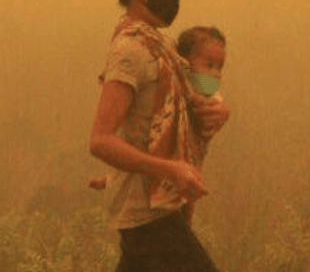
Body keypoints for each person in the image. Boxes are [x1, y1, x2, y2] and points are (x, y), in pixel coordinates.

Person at [90, 0, 245, 272]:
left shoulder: (158, 44)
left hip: (145, 207)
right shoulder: (130, 51)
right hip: (151, 214)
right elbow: (100, 139)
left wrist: (222, 109)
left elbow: (191, 94)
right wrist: (172, 170)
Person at [90, 24, 228, 225]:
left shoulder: (207, 95)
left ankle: (113, 180)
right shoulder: (176, 84)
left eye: (219, 67)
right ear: (186, 63)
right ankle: (112, 180)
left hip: (190, 160)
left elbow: (210, 107)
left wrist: (223, 112)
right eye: (209, 65)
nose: (216, 74)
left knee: (187, 202)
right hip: (170, 159)